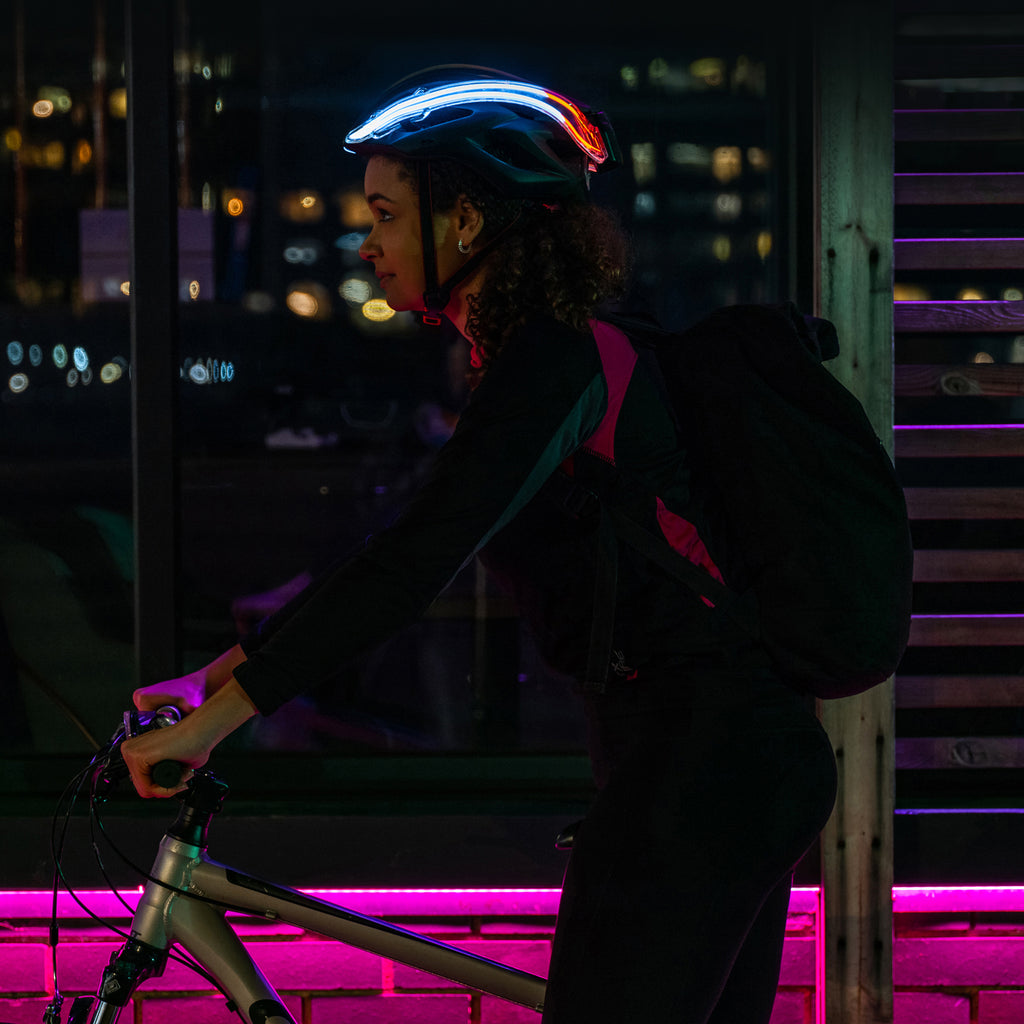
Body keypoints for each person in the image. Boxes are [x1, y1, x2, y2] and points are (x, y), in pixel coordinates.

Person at [122, 65, 837, 1023]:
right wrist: (209, 685)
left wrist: (216, 718)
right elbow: (398, 545)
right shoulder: (540, 358)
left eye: (383, 212)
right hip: (722, 764)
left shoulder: (557, 359)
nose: (365, 242)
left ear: (464, 220)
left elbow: (414, 558)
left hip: (702, 774)